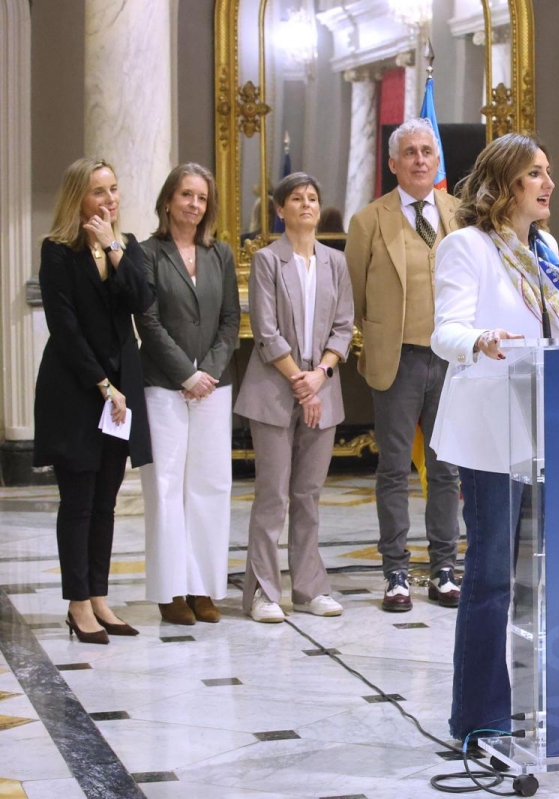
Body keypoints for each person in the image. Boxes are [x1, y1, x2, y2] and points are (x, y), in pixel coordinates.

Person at [429, 133, 559, 743]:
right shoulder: (467, 246)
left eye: (548, 171)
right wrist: (479, 340)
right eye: (536, 173)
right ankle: (479, 718)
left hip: (543, 429)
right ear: (505, 184)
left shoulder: (546, 249)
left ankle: (534, 705)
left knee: (538, 575)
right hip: (490, 431)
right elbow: (445, 331)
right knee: (493, 576)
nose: (549, 184)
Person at [33, 157, 154, 644]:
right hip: (77, 390)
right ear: (78, 198)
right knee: (79, 503)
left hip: (122, 390)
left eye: (114, 189)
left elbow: (142, 301)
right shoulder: (57, 251)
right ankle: (78, 604)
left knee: (106, 501)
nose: (109, 200)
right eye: (98, 191)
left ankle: (100, 598)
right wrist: (104, 385)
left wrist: (114, 248)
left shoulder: (127, 247)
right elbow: (64, 328)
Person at [346, 119, 462, 613]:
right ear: (393, 163)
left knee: (447, 470)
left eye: (426, 151)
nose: (419, 159)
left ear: (437, 161)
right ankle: (395, 572)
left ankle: (444, 568)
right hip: (397, 361)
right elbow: (354, 297)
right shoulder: (369, 220)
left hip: (451, 361)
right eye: (409, 152)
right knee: (393, 469)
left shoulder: (460, 213)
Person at [233, 172, 355, 621]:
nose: (306, 204)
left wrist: (319, 375)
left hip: (323, 388)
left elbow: (343, 327)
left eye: (313, 198)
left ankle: (308, 589)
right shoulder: (267, 260)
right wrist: (300, 382)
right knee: (272, 495)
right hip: (273, 391)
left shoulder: (335, 262)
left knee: (308, 495)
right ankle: (263, 593)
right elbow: (265, 331)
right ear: (280, 210)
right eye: (297, 198)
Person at [136, 164, 240, 624]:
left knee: (211, 486)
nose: (194, 204)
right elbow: (148, 322)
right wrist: (186, 375)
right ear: (167, 200)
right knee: (165, 487)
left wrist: (208, 372)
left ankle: (202, 589)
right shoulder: (146, 253)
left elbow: (231, 320)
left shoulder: (220, 254)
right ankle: (170, 591)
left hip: (213, 388)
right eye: (186, 195)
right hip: (163, 386)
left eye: (201, 197)